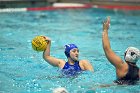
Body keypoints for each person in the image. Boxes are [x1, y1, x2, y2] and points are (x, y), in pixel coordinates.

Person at [102, 17, 140, 85]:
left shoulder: (122, 65)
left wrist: (105, 30)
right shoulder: (139, 72)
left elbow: (107, 48)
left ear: (126, 55)